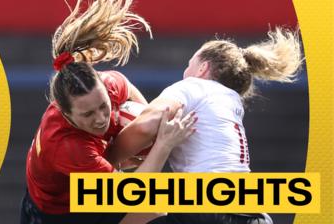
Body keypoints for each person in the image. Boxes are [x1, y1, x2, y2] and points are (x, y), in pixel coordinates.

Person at [20, 1, 197, 224]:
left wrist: (147, 127)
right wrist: (162, 144)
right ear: (66, 114)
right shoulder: (68, 147)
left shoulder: (108, 85)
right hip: (59, 213)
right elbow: (133, 192)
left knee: (161, 211)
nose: (101, 118)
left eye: (103, 106)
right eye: (88, 114)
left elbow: (127, 87)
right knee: (157, 210)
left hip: (81, 189)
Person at [109, 27, 303, 224]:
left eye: (189, 64)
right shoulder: (231, 101)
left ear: (202, 68)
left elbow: (146, 125)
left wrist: (108, 159)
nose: (185, 72)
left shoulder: (193, 85)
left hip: (207, 210)